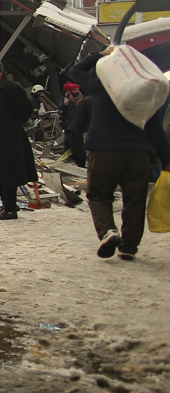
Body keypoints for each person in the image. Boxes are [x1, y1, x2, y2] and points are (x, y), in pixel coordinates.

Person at [69, 48, 170, 261]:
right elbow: (156, 131)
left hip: (104, 153)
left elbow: (76, 71)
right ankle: (129, 247)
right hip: (138, 157)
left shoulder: (101, 87)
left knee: (99, 195)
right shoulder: (146, 96)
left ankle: (108, 231)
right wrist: (167, 160)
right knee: (135, 201)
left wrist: (101, 54)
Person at [0, 58, 37, 220]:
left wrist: (10, 126)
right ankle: (7, 204)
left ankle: (10, 208)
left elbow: (25, 110)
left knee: (7, 173)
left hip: (7, 139)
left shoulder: (11, 88)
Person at [61, 82, 91, 168]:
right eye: (75, 89)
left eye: (78, 89)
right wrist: (65, 103)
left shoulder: (84, 99)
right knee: (72, 143)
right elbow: (61, 108)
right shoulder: (66, 98)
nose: (77, 91)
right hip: (70, 123)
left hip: (82, 125)